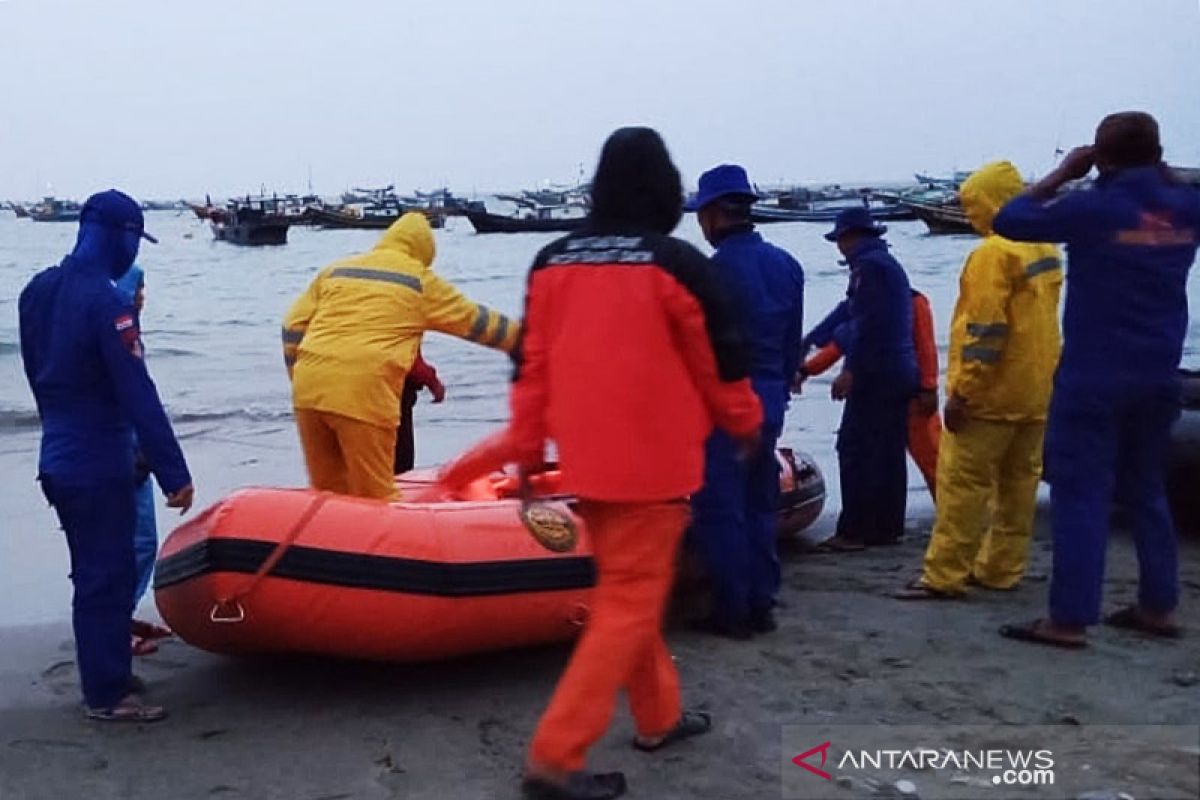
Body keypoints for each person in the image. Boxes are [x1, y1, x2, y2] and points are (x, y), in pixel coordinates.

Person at [511, 128, 762, 800]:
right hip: (655, 468)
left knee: (629, 592)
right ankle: (555, 756)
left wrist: (529, 451)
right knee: (629, 599)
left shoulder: (551, 260)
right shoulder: (677, 263)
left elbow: (530, 366)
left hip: (588, 465)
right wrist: (743, 423)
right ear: (664, 188)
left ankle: (660, 716)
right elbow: (722, 359)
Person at [993, 112, 1200, 647]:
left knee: (1081, 494)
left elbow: (1011, 218)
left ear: (1100, 157)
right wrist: (1164, 177)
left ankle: (1068, 618)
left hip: (1094, 374)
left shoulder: (1092, 207)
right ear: (1158, 152)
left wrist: (1061, 173)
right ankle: (1158, 607)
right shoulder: (1187, 207)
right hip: (1160, 372)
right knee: (1147, 489)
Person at [19, 190, 194, 722]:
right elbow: (135, 390)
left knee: (92, 572)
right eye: (135, 239)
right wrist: (173, 472)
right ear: (119, 234)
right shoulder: (108, 302)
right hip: (98, 460)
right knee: (108, 575)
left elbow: (37, 371)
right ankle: (106, 695)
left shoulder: (36, 291)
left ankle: (109, 670)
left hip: (58, 456)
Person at [895, 161, 1063, 600]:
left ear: (990, 203)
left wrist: (963, 391)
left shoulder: (992, 254)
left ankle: (945, 574)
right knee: (1019, 488)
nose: (969, 215)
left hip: (990, 397)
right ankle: (1001, 569)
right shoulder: (1045, 247)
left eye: (973, 205)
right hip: (1036, 393)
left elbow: (984, 332)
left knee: (963, 488)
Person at [282, 212, 518, 500]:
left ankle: (321, 542)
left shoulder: (335, 271)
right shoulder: (418, 282)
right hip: (363, 396)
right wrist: (530, 342)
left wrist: (299, 373)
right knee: (378, 498)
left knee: (328, 493)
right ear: (423, 252)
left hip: (308, 391)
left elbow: (292, 326)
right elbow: (478, 323)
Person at [685, 164, 804, 639]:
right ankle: (762, 602)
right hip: (771, 397)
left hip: (724, 403)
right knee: (760, 502)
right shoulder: (787, 266)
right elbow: (792, 343)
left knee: (721, 506)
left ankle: (731, 608)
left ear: (713, 214)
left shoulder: (709, 274)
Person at [800, 208, 918, 550]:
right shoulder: (883, 265)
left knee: (854, 448)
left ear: (850, 237)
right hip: (898, 369)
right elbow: (848, 311)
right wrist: (810, 341)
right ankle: (886, 527)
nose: (839, 247)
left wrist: (849, 370)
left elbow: (866, 325)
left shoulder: (869, 268)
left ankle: (854, 530)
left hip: (876, 372)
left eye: (839, 240)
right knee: (888, 452)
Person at [799, 287, 941, 500]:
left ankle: (954, 515)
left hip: (912, 396)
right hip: (879, 397)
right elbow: (840, 344)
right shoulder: (864, 304)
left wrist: (928, 387)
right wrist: (806, 370)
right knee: (883, 462)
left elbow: (925, 347)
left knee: (932, 459)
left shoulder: (913, 302)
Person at [112, 265, 174, 655]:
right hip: (123, 453)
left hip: (135, 450)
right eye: (138, 288)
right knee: (133, 541)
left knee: (140, 540)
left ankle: (122, 616)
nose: (142, 296)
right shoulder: (117, 336)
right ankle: (115, 627)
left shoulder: (128, 334)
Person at [393, 349, 445, 474]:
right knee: (400, 462)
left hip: (346, 395)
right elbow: (412, 362)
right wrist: (434, 383)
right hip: (392, 398)